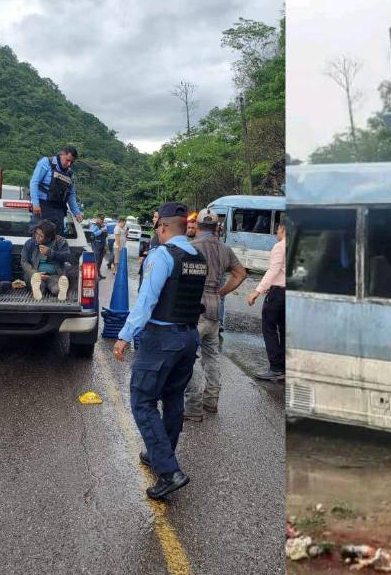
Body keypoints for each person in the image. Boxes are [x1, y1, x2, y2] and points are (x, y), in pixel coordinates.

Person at [113, 202, 207, 501]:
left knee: (142, 401)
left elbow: (146, 300)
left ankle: (169, 471)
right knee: (173, 398)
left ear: (163, 227)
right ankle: (160, 454)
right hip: (188, 338)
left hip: (162, 339)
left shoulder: (163, 255)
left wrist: (123, 336)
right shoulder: (197, 256)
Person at [183, 208, 247, 420]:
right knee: (212, 357)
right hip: (214, 310)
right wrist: (220, 293)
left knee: (189, 358)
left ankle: (192, 407)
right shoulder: (225, 249)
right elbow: (241, 274)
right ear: (216, 227)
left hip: (195, 311)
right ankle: (211, 401)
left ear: (198, 226)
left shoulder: (191, 247)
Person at [247, 221, 286, 381]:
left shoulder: (280, 246)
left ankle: (276, 367)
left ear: (283, 229)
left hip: (278, 293)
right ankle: (284, 366)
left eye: (277, 229)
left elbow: (274, 269)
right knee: (285, 331)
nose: (277, 233)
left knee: (269, 328)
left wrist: (257, 291)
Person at [29, 146, 83, 235]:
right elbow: (34, 182)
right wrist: (35, 204)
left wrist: (76, 212)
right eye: (67, 160)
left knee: (56, 240)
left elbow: (71, 195)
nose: (69, 164)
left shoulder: (70, 174)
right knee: (39, 238)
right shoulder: (46, 162)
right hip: (42, 207)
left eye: (72, 162)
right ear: (61, 154)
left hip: (58, 211)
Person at [22, 219, 75, 301]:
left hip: (54, 275)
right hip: (35, 274)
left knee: (56, 288)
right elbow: (24, 261)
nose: (37, 237)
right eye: (36, 233)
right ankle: (37, 289)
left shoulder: (60, 241)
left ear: (49, 237)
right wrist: (34, 273)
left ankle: (61, 292)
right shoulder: (30, 243)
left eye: (41, 236)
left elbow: (67, 257)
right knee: (37, 284)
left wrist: (51, 253)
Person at [90, 214, 107, 279]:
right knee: (96, 260)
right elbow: (93, 233)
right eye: (101, 219)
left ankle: (98, 273)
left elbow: (105, 236)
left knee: (100, 260)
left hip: (102, 245)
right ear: (97, 219)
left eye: (103, 219)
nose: (102, 220)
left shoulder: (103, 226)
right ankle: (94, 275)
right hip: (96, 245)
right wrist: (101, 230)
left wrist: (106, 245)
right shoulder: (94, 225)